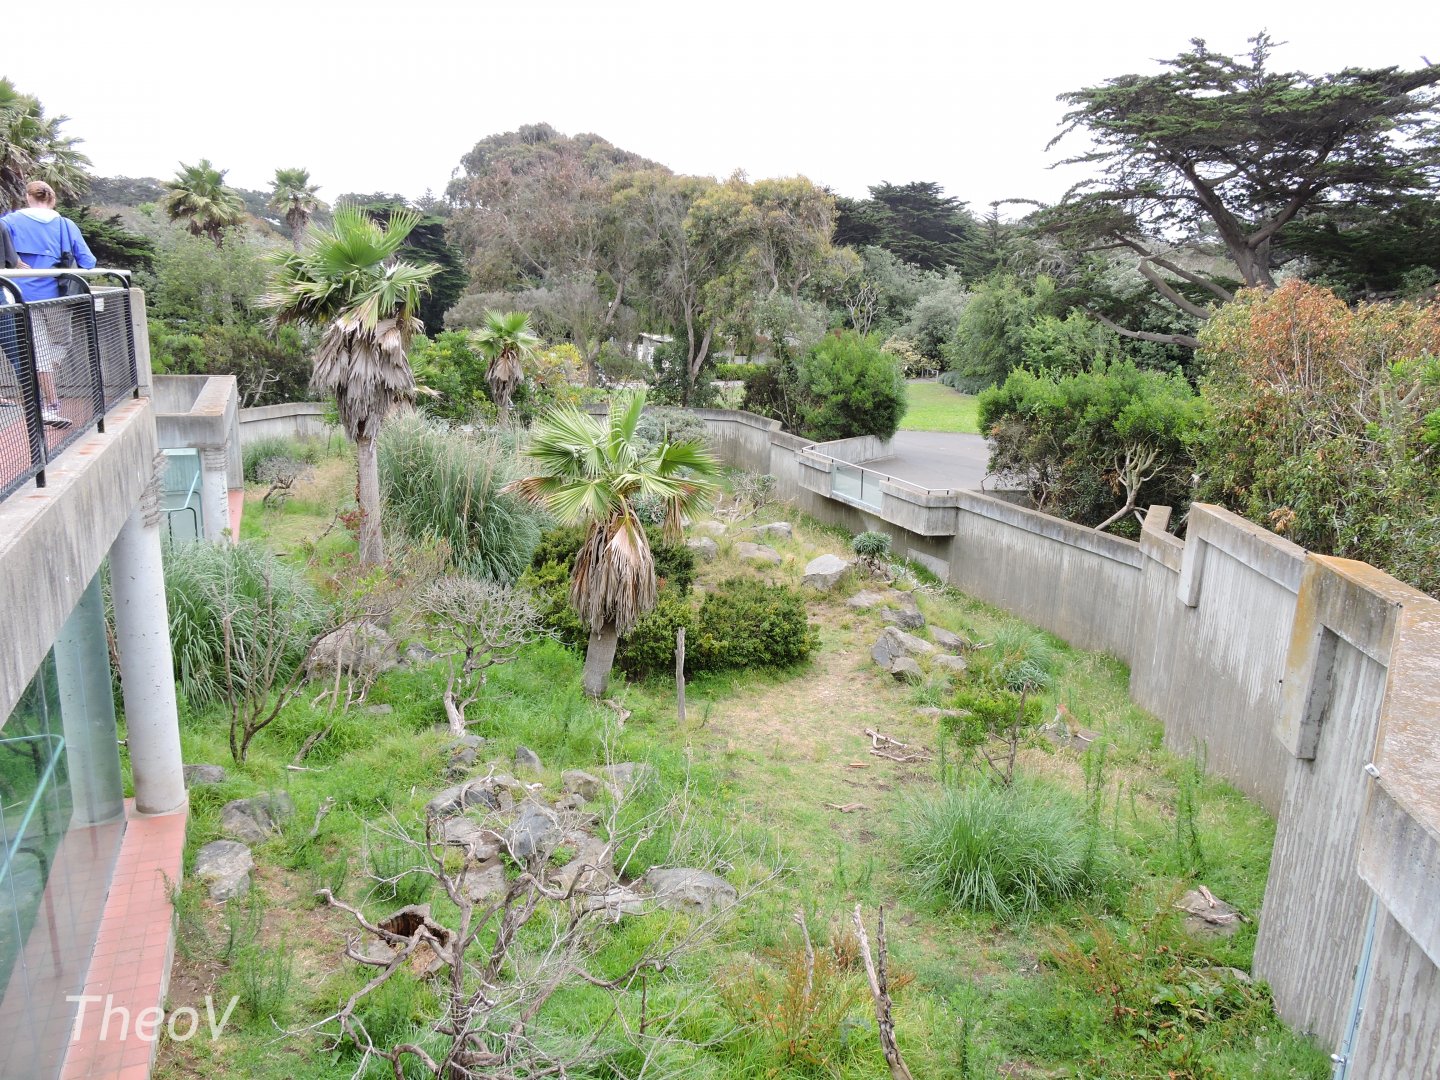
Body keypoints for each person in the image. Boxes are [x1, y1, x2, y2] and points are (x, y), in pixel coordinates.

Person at [2, 181, 97, 427]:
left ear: (27, 197)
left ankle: (50, 402)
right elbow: (88, 261)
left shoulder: (9, 222)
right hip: (57, 295)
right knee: (60, 344)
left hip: (22, 295)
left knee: (38, 350)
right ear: (52, 198)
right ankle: (51, 401)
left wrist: (18, 262)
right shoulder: (65, 224)